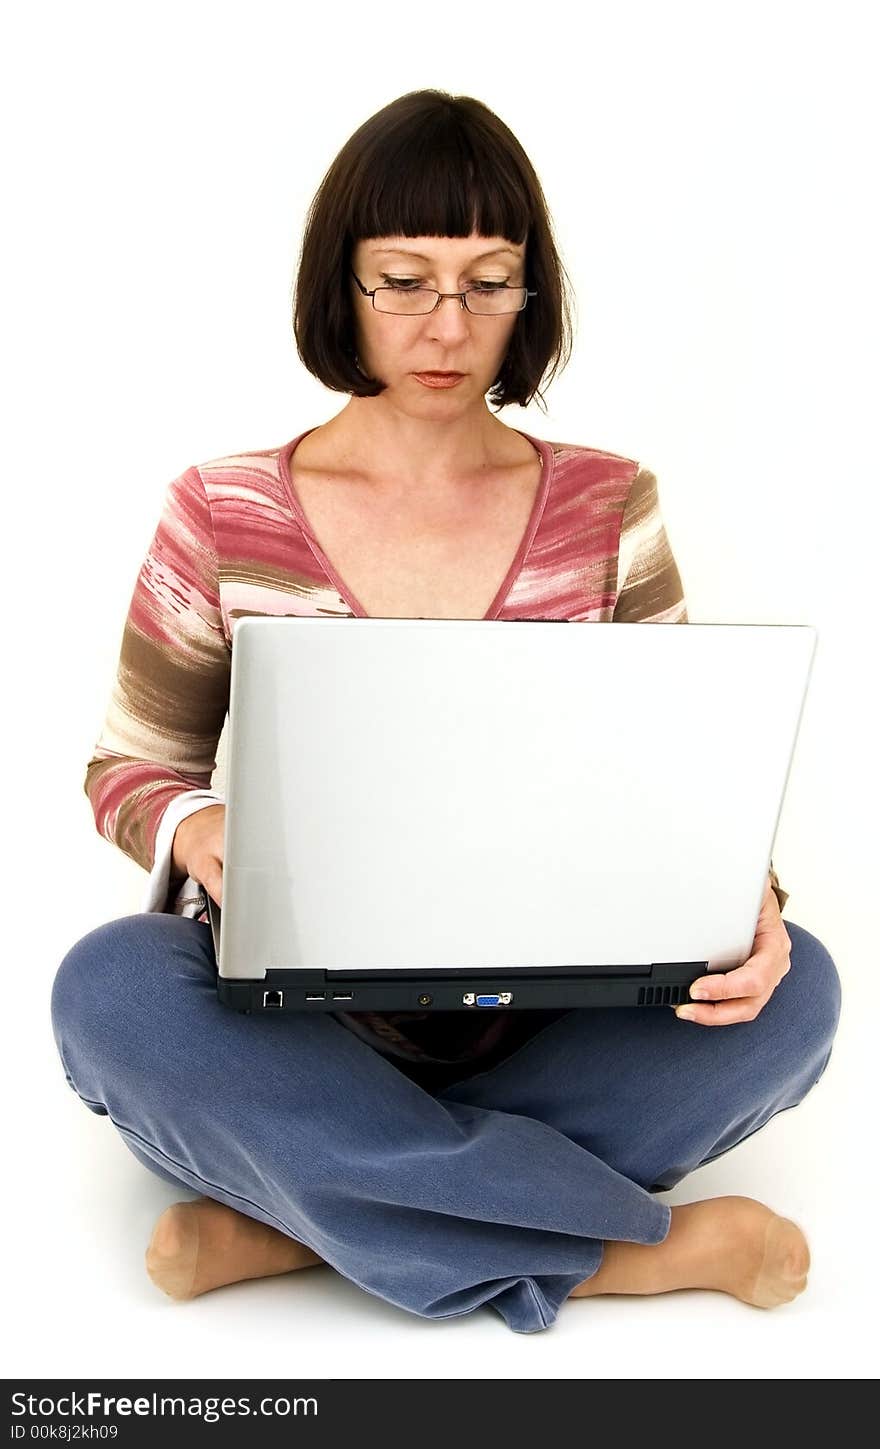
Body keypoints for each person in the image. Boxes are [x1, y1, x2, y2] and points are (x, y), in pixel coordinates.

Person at [50, 89, 841, 1335]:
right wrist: (202, 831)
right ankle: (628, 1252)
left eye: (490, 282)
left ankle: (299, 1226)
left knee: (799, 997)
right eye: (403, 281)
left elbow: (684, 781)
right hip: (294, 1023)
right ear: (342, 288)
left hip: (556, 1013)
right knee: (110, 989)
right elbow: (129, 767)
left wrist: (752, 902)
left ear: (531, 297)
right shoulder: (224, 508)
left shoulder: (607, 505)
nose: (446, 325)